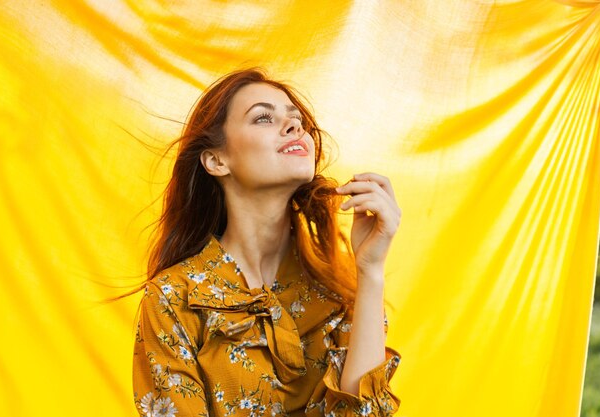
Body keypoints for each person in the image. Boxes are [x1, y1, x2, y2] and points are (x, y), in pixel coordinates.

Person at [132, 67, 402, 417]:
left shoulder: (340, 290)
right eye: (263, 118)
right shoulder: (172, 298)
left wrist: (371, 272)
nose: (294, 126)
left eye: (296, 119)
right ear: (216, 160)